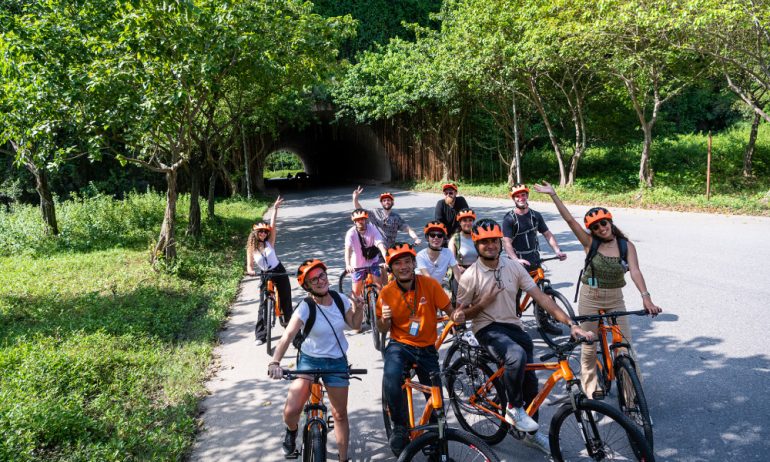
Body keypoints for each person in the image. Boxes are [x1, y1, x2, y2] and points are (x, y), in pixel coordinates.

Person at [456, 218, 594, 456]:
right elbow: (458, 316)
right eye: (484, 242)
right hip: (487, 328)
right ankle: (513, 407)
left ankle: (529, 434)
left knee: (531, 386)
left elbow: (541, 298)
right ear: (476, 245)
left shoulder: (512, 266)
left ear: (500, 242)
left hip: (513, 327)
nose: (490, 245)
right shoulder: (470, 276)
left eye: (494, 241)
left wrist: (571, 323)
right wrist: (482, 303)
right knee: (515, 355)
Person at [534, 182, 662, 401]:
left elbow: (636, 272)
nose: (602, 228)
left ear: (610, 222)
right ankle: (591, 389)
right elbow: (569, 220)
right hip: (590, 297)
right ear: (591, 230)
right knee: (589, 345)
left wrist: (646, 298)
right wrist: (553, 195)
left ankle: (632, 398)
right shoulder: (589, 242)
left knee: (624, 347)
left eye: (604, 223)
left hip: (615, 298)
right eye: (596, 227)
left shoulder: (625, 245)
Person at [268, 259, 364, 462]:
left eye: (322, 276)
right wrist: (274, 363)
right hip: (310, 361)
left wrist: (359, 308)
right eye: (314, 280)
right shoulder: (305, 307)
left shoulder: (339, 300)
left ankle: (343, 458)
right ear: (308, 286)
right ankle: (292, 431)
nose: (321, 281)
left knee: (339, 415)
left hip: (336, 361)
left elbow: (355, 325)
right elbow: (287, 336)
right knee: (291, 410)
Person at [376, 242, 465, 457]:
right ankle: (399, 426)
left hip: (426, 348)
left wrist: (456, 315)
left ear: (414, 263)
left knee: (436, 398)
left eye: (407, 261)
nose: (404, 266)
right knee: (391, 376)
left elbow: (449, 309)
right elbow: (382, 328)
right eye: (398, 263)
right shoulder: (386, 293)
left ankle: (436, 443)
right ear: (391, 268)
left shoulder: (429, 284)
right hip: (400, 345)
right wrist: (384, 319)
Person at [502, 184, 567, 335]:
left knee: (541, 292)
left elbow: (547, 234)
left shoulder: (535, 216)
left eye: (523, 195)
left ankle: (543, 322)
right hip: (516, 263)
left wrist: (557, 250)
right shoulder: (509, 219)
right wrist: (515, 259)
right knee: (515, 295)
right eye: (517, 196)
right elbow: (507, 243)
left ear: (527, 196)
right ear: (513, 199)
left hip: (534, 260)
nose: (521, 198)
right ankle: (512, 323)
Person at [246, 196, 292, 346]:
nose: (264, 234)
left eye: (265, 232)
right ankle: (261, 335)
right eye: (261, 232)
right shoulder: (251, 248)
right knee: (263, 305)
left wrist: (275, 208)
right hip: (265, 275)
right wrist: (250, 270)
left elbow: (273, 224)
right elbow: (249, 265)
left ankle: (290, 327)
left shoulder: (269, 242)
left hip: (279, 270)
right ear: (255, 233)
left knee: (285, 299)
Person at [352, 186, 422, 249]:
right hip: (377, 249)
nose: (386, 202)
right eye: (384, 201)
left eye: (388, 200)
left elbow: (408, 229)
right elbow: (360, 211)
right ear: (381, 203)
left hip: (391, 249)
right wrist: (355, 199)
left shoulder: (396, 217)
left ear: (392, 202)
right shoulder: (375, 212)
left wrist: (416, 238)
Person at [344, 208, 389, 294]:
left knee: (379, 288)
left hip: (373, 261)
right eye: (357, 220)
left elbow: (381, 245)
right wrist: (348, 265)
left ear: (366, 219)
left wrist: (387, 260)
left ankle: (378, 306)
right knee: (356, 293)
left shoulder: (372, 229)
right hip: (357, 264)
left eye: (362, 219)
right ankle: (355, 307)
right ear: (354, 221)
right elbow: (348, 250)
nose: (360, 221)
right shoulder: (351, 233)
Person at [416, 221, 462, 285]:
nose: (436, 238)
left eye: (440, 235)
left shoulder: (448, 253)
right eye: (432, 235)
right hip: (422, 287)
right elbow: (427, 277)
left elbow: (456, 271)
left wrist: (464, 287)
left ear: (443, 238)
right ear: (427, 238)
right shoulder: (420, 255)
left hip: (437, 287)